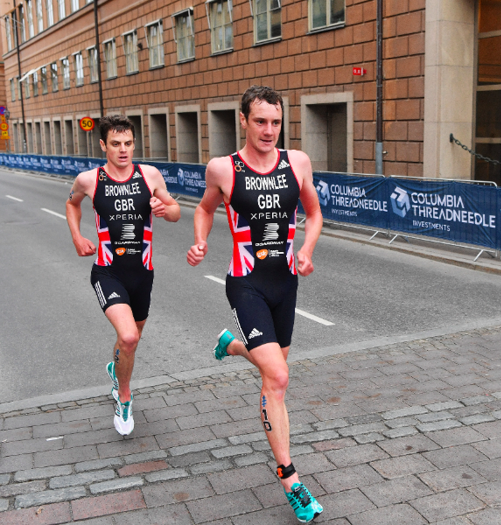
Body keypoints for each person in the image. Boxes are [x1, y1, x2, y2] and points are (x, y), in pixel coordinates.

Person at [187, 85, 324, 523]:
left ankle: (231, 345)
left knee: (273, 377)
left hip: (285, 284)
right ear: (243, 120)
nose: (269, 130)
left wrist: (307, 248)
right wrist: (201, 239)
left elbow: (315, 214)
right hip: (245, 283)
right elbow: (205, 208)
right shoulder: (223, 169)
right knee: (279, 376)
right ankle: (291, 480)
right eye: (260, 121)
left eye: (276, 122)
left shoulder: (296, 162)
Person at [66, 115, 180, 436]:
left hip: (142, 274)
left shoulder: (149, 175)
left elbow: (174, 212)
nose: (123, 150)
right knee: (128, 337)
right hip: (107, 272)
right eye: (115, 144)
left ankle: (116, 370)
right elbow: (72, 204)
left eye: (128, 143)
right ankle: (124, 396)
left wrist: (164, 208)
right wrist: (77, 236)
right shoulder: (90, 179)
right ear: (103, 145)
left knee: (130, 340)